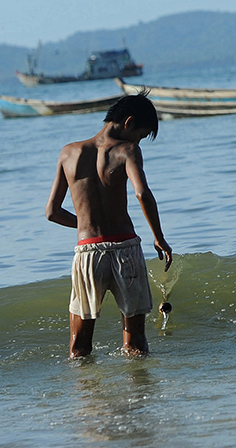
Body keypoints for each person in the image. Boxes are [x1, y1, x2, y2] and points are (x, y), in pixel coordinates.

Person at [44, 94, 172, 358]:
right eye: (140, 134)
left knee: (79, 347)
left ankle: (88, 397)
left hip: (88, 253)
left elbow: (52, 212)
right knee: (135, 343)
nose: (138, 142)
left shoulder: (69, 153)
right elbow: (142, 193)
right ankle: (139, 395)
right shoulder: (127, 151)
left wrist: (87, 224)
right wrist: (158, 237)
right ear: (128, 122)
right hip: (125, 248)